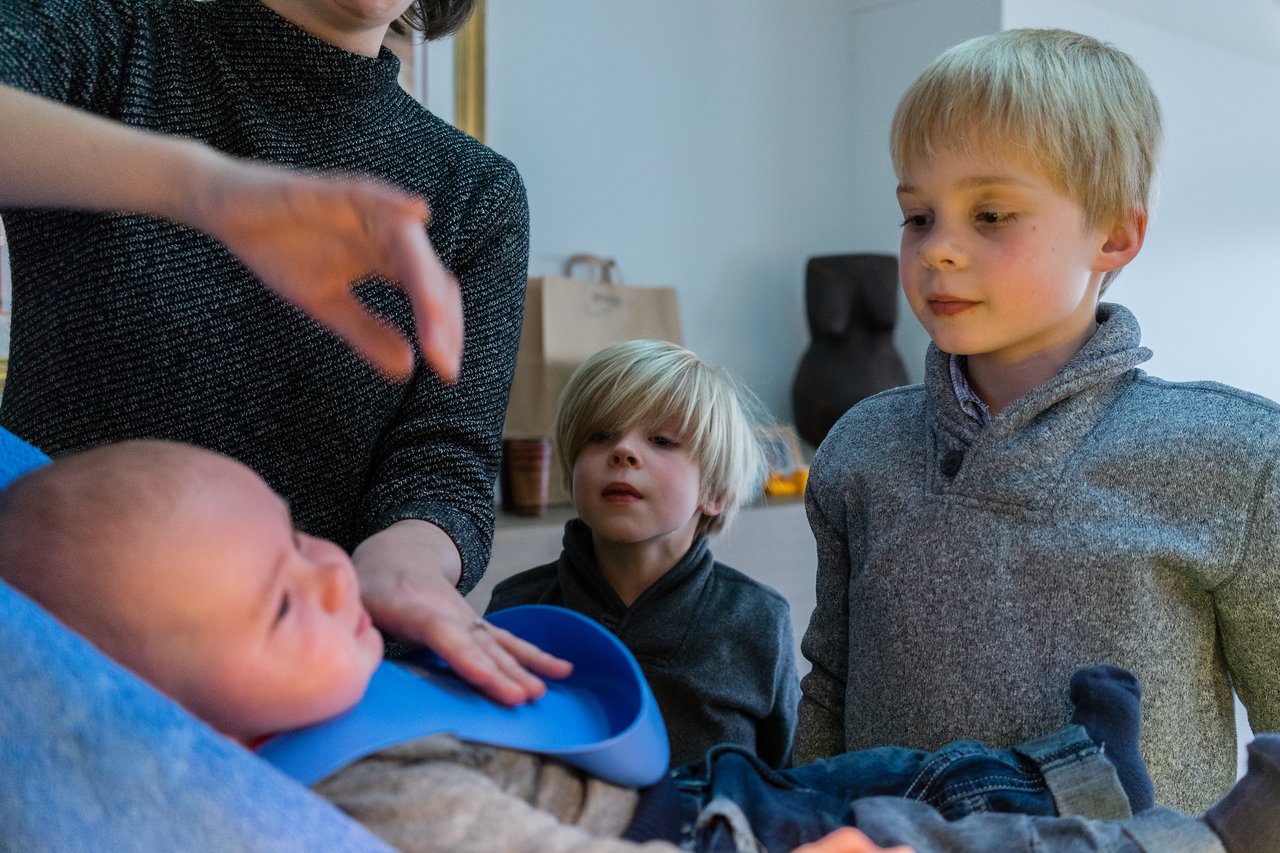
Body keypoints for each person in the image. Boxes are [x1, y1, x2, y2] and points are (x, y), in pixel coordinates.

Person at [1, 439, 1268, 853]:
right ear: (179, 721)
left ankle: (1073, 765)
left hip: (698, 781)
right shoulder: (365, 791)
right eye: (282, 601)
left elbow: (786, 715)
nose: (334, 571)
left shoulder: (748, 614)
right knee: (907, 823)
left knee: (899, 761)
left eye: (300, 538)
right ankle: (1175, 833)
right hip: (681, 833)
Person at [0, 0, 565, 705]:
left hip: (323, 707)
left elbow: (441, 462)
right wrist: (200, 187)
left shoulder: (476, 193)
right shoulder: (109, 38)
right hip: (59, 692)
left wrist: (404, 566)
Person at [794, 26, 1280, 816]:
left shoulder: (1240, 459)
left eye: (989, 213)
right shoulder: (862, 449)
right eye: (918, 215)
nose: (938, 250)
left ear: (1115, 233)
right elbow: (830, 695)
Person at [487, 339, 801, 768]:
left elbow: (783, 781)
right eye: (600, 436)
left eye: (661, 440)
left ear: (713, 492)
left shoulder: (759, 621)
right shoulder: (516, 607)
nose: (624, 451)